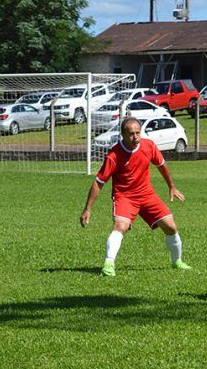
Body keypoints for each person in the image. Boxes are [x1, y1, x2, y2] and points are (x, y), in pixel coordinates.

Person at [80, 117, 191, 276]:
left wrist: (172, 187)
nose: (135, 137)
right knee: (120, 226)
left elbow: (162, 166)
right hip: (125, 197)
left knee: (171, 226)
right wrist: (87, 209)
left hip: (147, 195)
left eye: (138, 133)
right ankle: (109, 264)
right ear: (123, 135)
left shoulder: (149, 146)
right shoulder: (114, 155)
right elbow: (99, 182)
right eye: (131, 134)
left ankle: (177, 261)